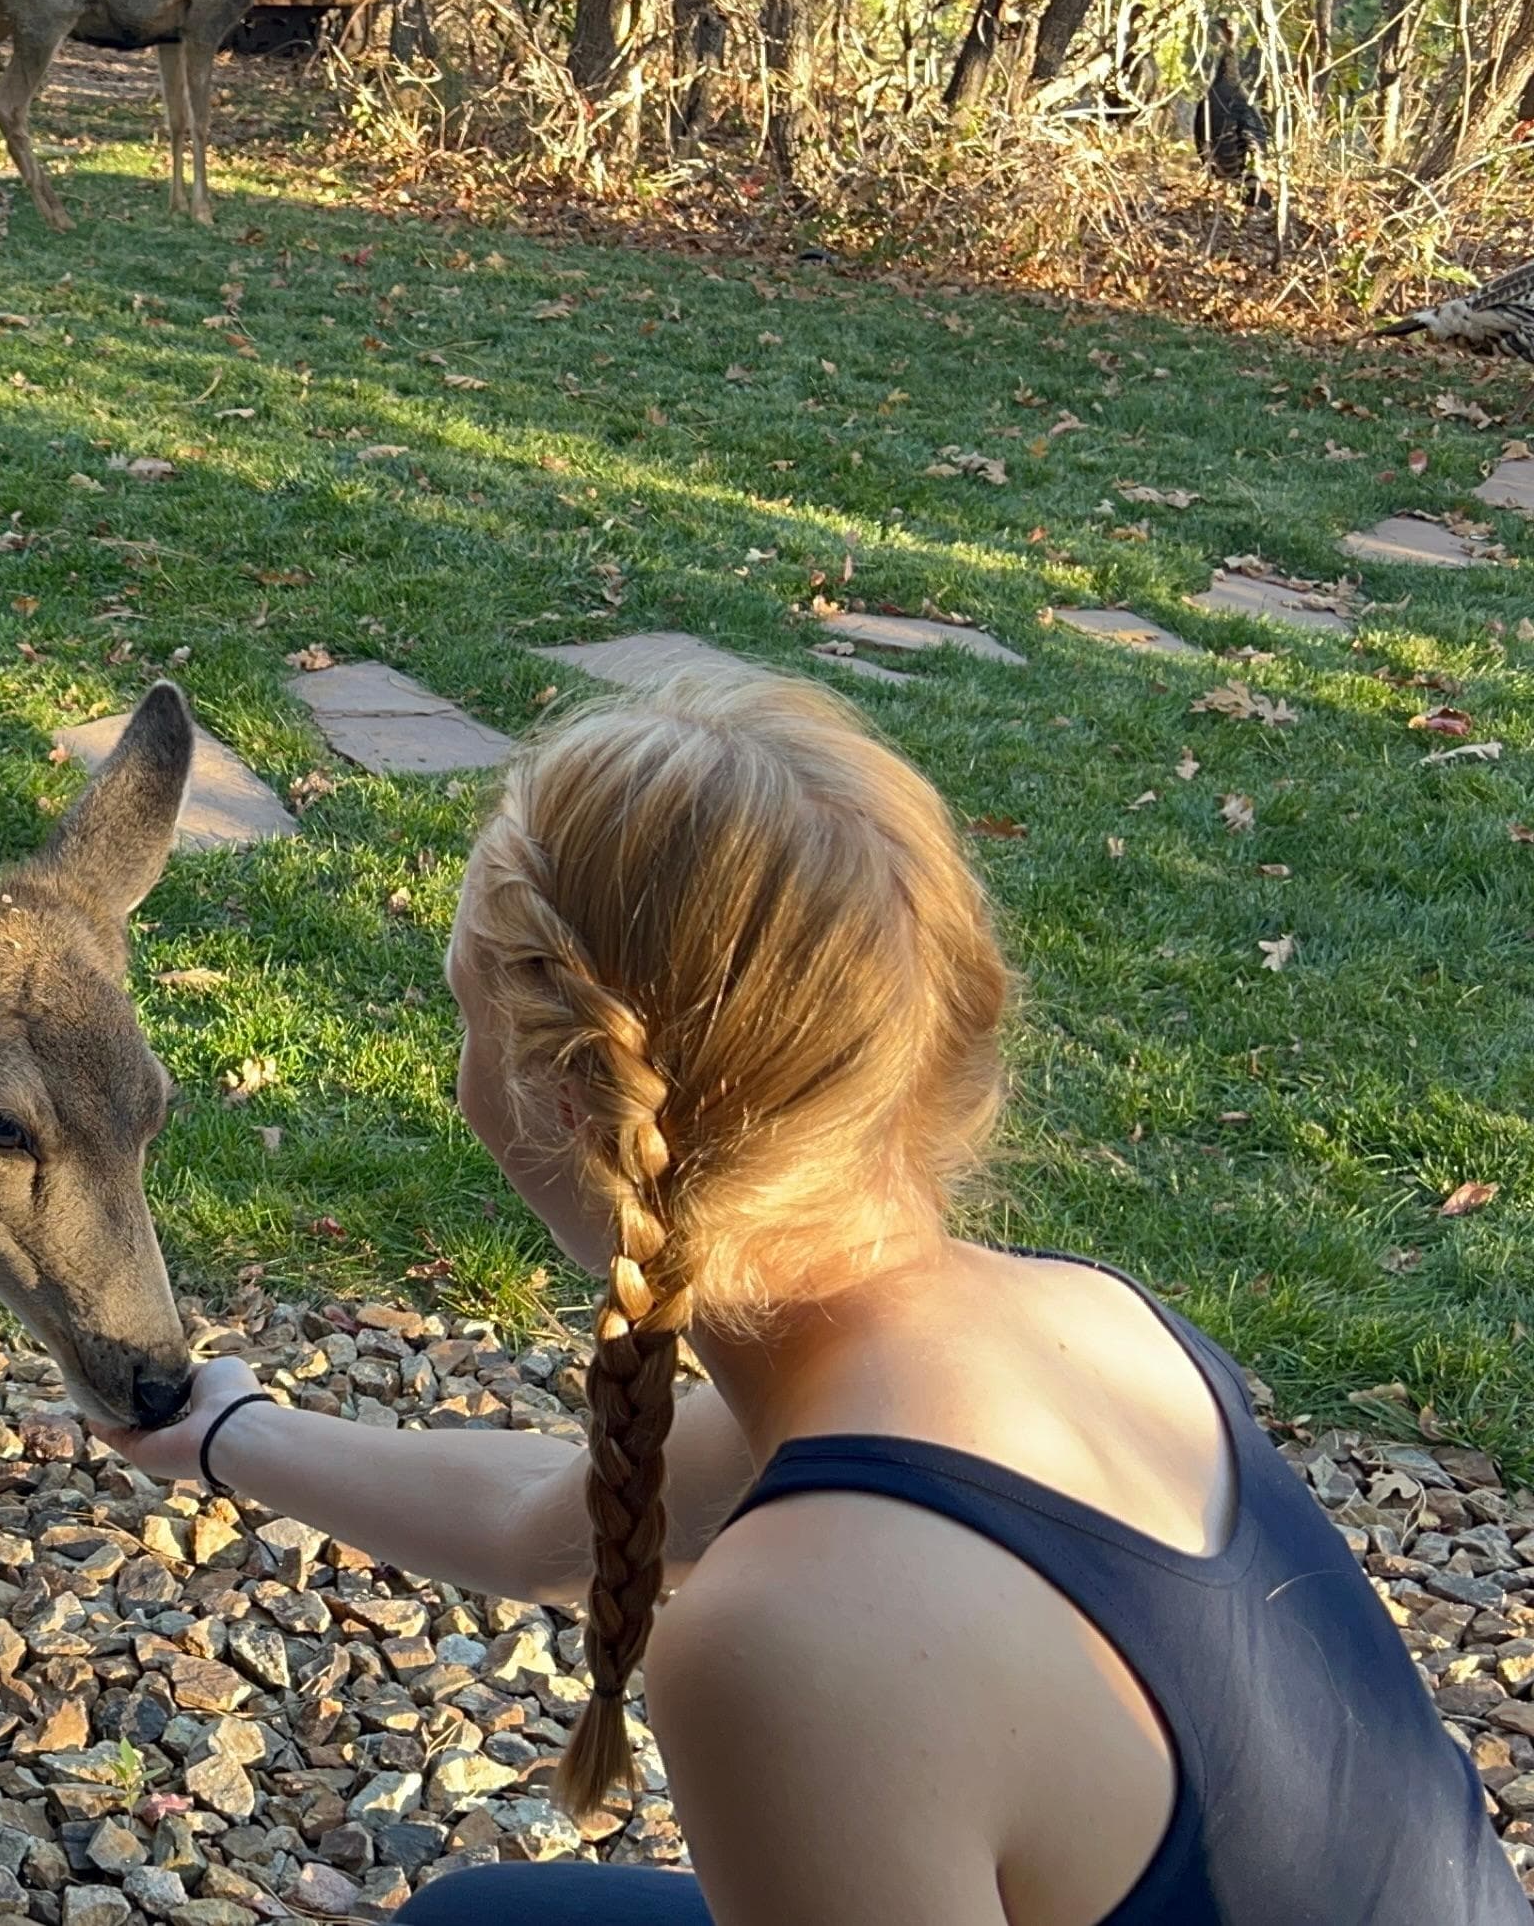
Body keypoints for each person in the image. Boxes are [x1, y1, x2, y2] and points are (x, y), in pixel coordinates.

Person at [101, 670, 1527, 1925]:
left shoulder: (794, 1642)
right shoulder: (1069, 1324)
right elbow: (558, 1526)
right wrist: (227, 1435)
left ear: (561, 1096)